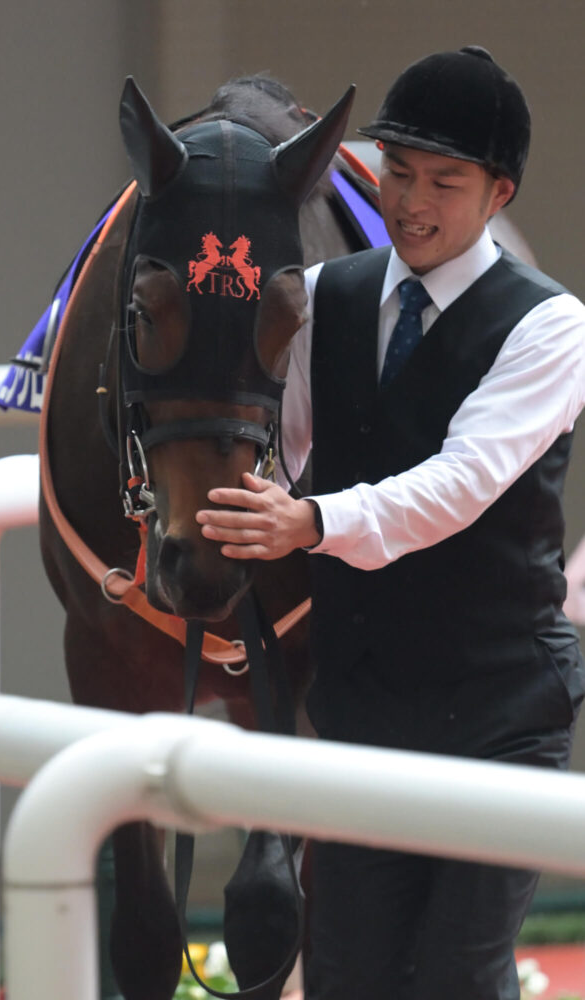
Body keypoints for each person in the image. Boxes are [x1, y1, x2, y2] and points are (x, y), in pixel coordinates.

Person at [196, 45, 585, 1000]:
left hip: (501, 711)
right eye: (396, 173)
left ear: (498, 193)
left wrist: (310, 520)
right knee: (345, 977)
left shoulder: (552, 327)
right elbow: (275, 455)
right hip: (363, 701)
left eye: (443, 182)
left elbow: (461, 482)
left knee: (456, 977)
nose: (411, 201)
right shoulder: (327, 296)